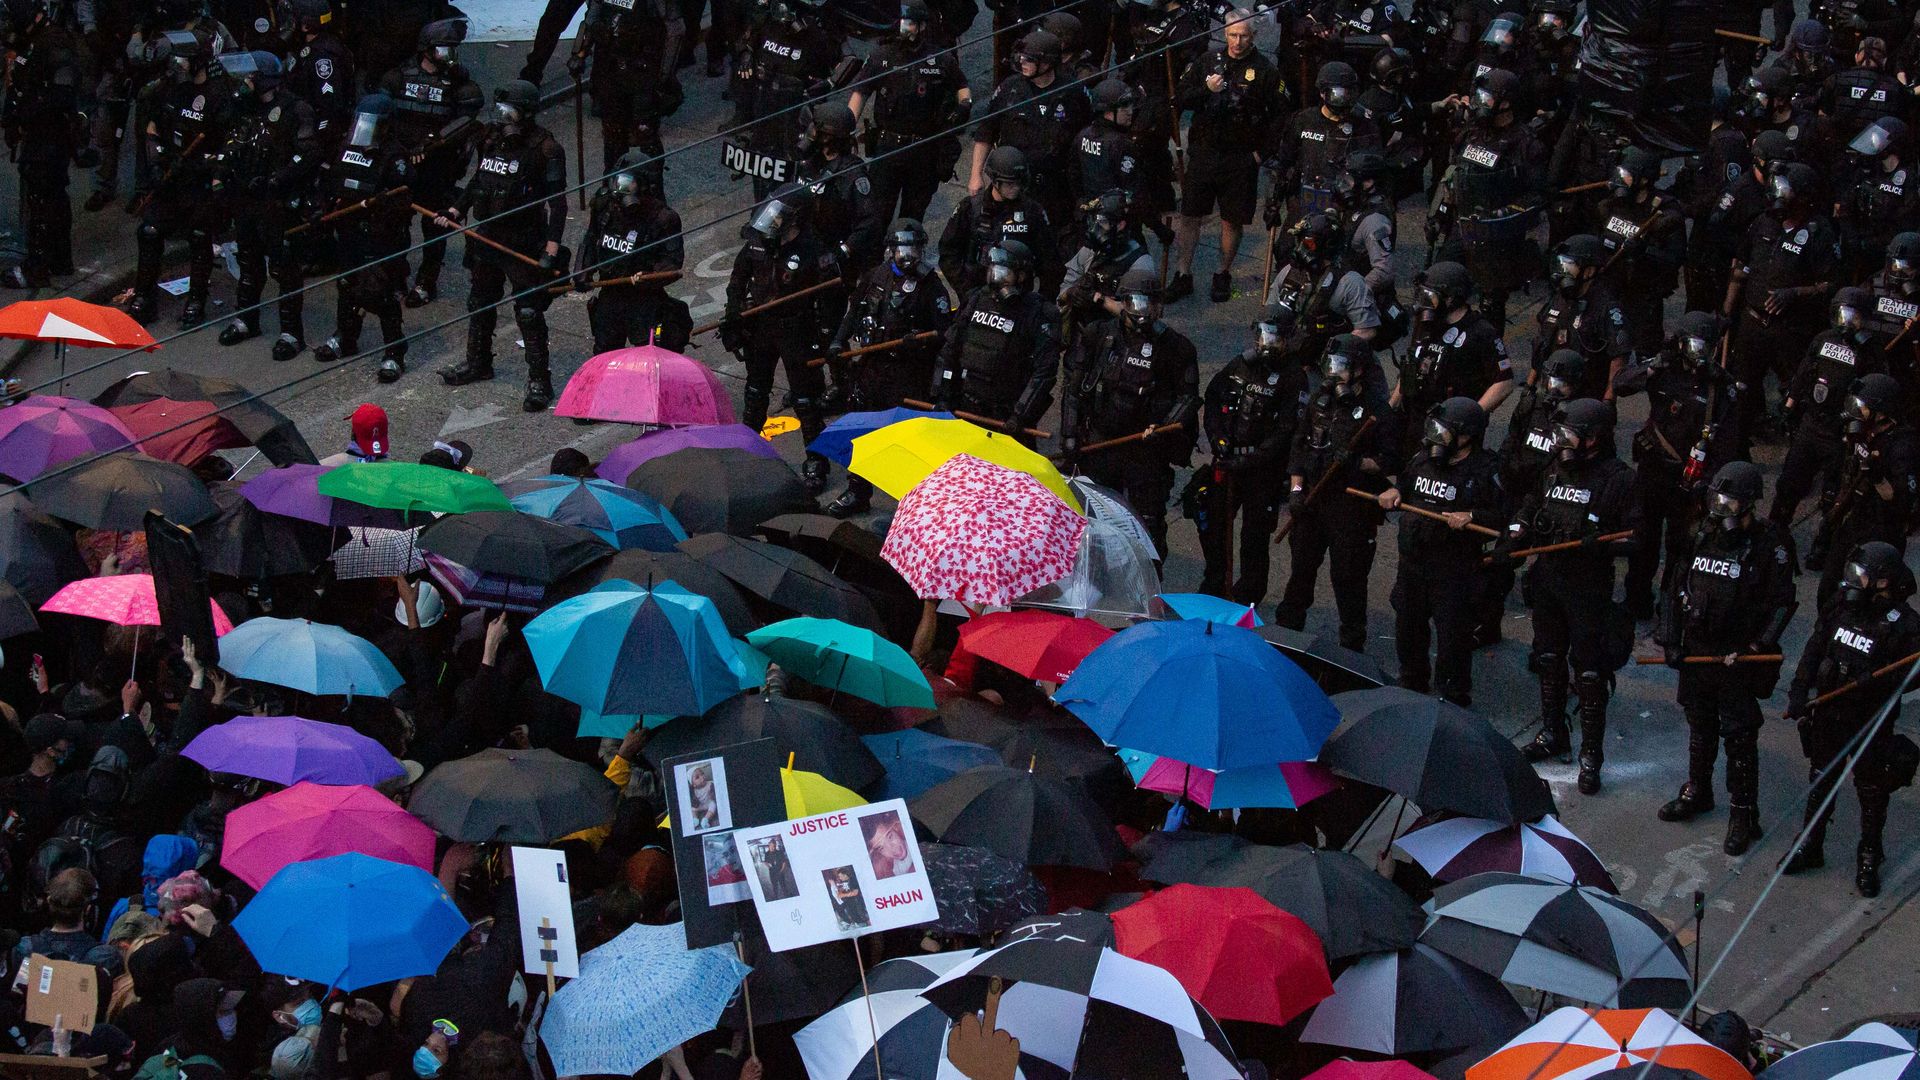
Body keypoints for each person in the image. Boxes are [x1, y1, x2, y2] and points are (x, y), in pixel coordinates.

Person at [1655, 461, 1796, 856]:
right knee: (1700, 724)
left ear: (1749, 504)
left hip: (1737, 657)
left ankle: (1742, 812)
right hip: (1700, 650)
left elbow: (1783, 605)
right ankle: (1698, 790)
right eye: (1719, 498)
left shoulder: (1771, 545)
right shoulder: (1702, 535)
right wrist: (1671, 639)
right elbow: (1674, 586)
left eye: (1731, 501)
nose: (1722, 507)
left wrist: (1756, 648)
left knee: (1738, 734)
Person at [1511, 398, 1640, 794]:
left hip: (1588, 589)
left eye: (1571, 434)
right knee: (1548, 658)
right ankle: (1552, 733)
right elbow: (1532, 507)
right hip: (1548, 579)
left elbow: (1638, 538)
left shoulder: (1619, 479)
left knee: (1588, 671)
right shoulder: (1555, 468)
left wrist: (1600, 545)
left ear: (1594, 438)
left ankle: (1590, 755)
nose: (1562, 440)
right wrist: (1516, 531)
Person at [1784, 540, 1920, 897]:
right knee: (1821, 778)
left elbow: (1912, 674)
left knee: (1872, 790)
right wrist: (1800, 689)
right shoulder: (1841, 606)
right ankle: (1810, 843)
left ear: (1884, 582)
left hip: (1871, 719)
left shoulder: (1904, 625)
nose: (1853, 582)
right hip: (1830, 712)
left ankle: (1869, 855)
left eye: (1862, 577)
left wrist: (1880, 679)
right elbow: (1816, 646)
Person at [436, 80, 570, 412]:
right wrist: (456, 209)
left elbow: (559, 203)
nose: (503, 117)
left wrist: (551, 248)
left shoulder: (546, 150)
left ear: (525, 112)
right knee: (480, 302)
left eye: (508, 111)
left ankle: (540, 380)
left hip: (523, 241)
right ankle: (478, 362)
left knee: (528, 311)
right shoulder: (492, 140)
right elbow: (478, 181)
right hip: (487, 237)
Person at [1611, 311, 1744, 621]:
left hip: (1688, 479)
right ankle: (1637, 599)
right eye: (1695, 346)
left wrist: (1707, 483)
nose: (1700, 354)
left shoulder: (1719, 389)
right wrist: (1656, 362)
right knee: (1642, 539)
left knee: (1680, 547)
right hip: (1652, 469)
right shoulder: (1663, 371)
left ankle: (1669, 606)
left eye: (1706, 348)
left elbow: (1727, 445)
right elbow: (1621, 384)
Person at [1059, 266, 1199, 557]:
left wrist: (1163, 427)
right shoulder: (1098, 334)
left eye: (1149, 303)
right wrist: (1070, 436)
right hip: (1100, 445)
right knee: (1092, 524)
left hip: (1145, 452)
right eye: (1136, 303)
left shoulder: (1177, 348)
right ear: (1123, 303)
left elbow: (1187, 399)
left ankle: (1151, 592)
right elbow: (1073, 389)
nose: (1143, 311)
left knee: (1148, 529)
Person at [1380, 397, 1505, 705]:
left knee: (1452, 635)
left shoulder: (1485, 471)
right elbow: (1406, 487)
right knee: (1408, 625)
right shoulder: (1423, 459)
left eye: (1445, 431)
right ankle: (1412, 679)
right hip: (1412, 563)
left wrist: (1473, 517)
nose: (1437, 436)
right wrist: (1395, 492)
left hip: (1453, 570)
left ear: (1466, 436)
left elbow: (1505, 516)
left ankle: (1452, 692)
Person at [825, 219, 954, 516]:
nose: (907, 256)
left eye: (913, 249)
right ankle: (858, 491)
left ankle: (913, 502)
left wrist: (918, 343)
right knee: (864, 431)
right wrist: (837, 342)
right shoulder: (875, 275)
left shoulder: (931, 287)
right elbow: (854, 311)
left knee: (909, 439)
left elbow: (945, 337)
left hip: (908, 373)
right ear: (891, 250)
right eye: (901, 249)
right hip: (872, 367)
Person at [723, 185, 844, 490]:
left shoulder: (816, 252)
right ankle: (747, 449)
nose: (772, 222)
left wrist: (826, 337)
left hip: (797, 329)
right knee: (754, 392)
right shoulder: (758, 243)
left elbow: (834, 298)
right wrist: (734, 312)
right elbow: (737, 278)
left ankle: (816, 461)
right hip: (761, 325)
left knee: (806, 400)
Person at [1275, 334, 1393, 647]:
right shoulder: (1319, 401)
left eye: (1341, 366)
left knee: (1348, 579)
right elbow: (1299, 448)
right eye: (1330, 364)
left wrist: (1359, 462)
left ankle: (1352, 646)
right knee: (1301, 573)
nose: (1333, 372)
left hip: (1351, 507)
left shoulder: (1377, 411)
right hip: (1312, 500)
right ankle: (1286, 634)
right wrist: (1296, 490)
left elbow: (1391, 461)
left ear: (1359, 371)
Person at [1194, 305, 1310, 605]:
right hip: (1227, 461)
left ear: (1287, 339)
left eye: (1273, 337)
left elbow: (1286, 431)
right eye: (1261, 335)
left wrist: (1250, 459)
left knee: (1254, 538)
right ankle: (1216, 580)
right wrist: (1217, 439)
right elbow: (1213, 396)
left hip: (1263, 472)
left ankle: (1248, 593)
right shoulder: (1240, 364)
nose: (1265, 343)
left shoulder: (1294, 378)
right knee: (1213, 522)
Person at [1169, 12, 1285, 303]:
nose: (1237, 41)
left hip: (1241, 158)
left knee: (1231, 221)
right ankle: (1183, 274)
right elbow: (1181, 98)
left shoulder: (1265, 70)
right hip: (1205, 152)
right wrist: (1205, 90)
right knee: (1190, 215)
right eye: (1232, 35)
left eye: (1244, 35)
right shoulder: (1207, 62)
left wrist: (1261, 154)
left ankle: (1223, 273)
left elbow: (1282, 118)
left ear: (1253, 37)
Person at [212, 52, 319, 362]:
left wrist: (276, 179)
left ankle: (291, 332)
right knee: (248, 260)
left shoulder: (294, 110)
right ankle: (246, 319)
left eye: (249, 77)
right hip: (246, 198)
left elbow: (308, 154)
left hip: (277, 201)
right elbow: (231, 142)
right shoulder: (244, 109)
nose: (243, 82)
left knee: (284, 266)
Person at [1723, 161, 1841, 436]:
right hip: (1752, 323)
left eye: (1786, 191)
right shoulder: (1762, 222)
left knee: (1796, 392)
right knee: (1740, 391)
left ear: (1804, 197)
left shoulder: (1819, 232)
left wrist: (1795, 294)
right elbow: (1740, 267)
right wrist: (1727, 313)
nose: (1779, 195)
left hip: (1791, 328)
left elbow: (1832, 285)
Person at [1769, 289, 1888, 551]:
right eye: (1843, 314)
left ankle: (1824, 544)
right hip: (1811, 423)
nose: (1846, 321)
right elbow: (1803, 374)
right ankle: (1773, 534)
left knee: (1834, 495)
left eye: (1853, 316)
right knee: (1789, 483)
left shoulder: (1870, 351)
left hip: (1842, 431)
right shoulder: (1823, 339)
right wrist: (1789, 406)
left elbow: (1874, 391)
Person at [127, 29, 233, 326]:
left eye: (184, 60)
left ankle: (196, 299)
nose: (178, 64)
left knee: (199, 236)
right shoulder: (169, 88)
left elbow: (227, 145)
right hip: (170, 175)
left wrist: (206, 169)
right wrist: (157, 162)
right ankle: (144, 296)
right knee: (149, 231)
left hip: (198, 180)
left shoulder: (218, 96)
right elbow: (151, 128)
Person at [377, 19, 484, 310]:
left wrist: (431, 144)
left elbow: (467, 120)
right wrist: (400, 152)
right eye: (442, 49)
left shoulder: (458, 83)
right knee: (395, 225)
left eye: (452, 50)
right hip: (402, 164)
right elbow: (382, 118)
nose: (448, 55)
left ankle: (426, 281)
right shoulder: (399, 77)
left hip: (438, 167)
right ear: (426, 49)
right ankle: (397, 276)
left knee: (435, 226)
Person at [1430, 67, 1546, 328]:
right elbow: (1453, 175)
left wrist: (1505, 216)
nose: (1482, 103)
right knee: (1438, 282)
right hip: (1462, 227)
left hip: (1497, 238)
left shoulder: (1526, 144)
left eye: (1488, 98)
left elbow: (1537, 195)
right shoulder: (1472, 132)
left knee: (1490, 307)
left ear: (1506, 103)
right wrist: (1439, 213)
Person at [311, 93, 413, 379]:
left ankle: (394, 351)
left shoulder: (395, 156)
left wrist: (384, 205)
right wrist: (323, 209)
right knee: (347, 284)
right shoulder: (347, 146)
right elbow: (332, 183)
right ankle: (346, 336)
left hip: (381, 236)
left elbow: (405, 200)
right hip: (349, 230)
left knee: (379, 292)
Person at [848, 0, 971, 224]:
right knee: (877, 214)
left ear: (923, 26)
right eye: (903, 23)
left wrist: (965, 104)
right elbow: (860, 93)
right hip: (888, 147)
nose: (905, 29)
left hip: (924, 149)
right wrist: (845, 127)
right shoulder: (882, 56)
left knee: (913, 216)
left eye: (911, 24)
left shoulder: (940, 58)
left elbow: (961, 85)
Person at [931, 239, 1060, 447]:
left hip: (1006, 416)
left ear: (1022, 276)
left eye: (1003, 273)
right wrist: (942, 395)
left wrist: (1020, 416)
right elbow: (949, 351)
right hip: (967, 407)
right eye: (992, 270)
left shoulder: (1040, 313)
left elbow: (1044, 373)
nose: (995, 278)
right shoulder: (976, 299)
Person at [968, 29, 1089, 251]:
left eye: (1029, 59)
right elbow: (986, 133)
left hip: (1057, 189)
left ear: (1047, 62)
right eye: (1021, 57)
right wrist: (976, 175)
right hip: (1015, 186)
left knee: (1054, 246)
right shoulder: (1009, 89)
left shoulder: (1074, 92)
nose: (1022, 62)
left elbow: (1088, 137)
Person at [1813, 373, 1920, 606]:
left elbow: (1900, 502)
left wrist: (1878, 477)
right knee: (1828, 589)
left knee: (1863, 596)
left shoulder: (1903, 447)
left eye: (1862, 407)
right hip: (1854, 518)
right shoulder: (1862, 432)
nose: (1857, 411)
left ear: (1882, 412)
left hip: (1881, 530)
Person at [1391, 261, 1515, 462]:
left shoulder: (1481, 332)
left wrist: (1468, 418)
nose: (1423, 302)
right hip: (1417, 419)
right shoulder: (1425, 324)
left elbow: (1504, 382)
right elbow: (1412, 363)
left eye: (1429, 297)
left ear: (1451, 299)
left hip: (1453, 431)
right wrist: (1392, 405)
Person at [1, 0, 85, 291]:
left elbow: (62, 94)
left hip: (51, 134)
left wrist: (27, 114)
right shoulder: (31, 41)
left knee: (45, 197)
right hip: (36, 133)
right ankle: (59, 260)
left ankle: (39, 266)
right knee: (47, 194)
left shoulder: (56, 43)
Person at [574, 150, 691, 354]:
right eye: (618, 181)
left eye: (628, 183)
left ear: (644, 184)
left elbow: (673, 262)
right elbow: (591, 238)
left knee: (649, 354)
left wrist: (649, 277)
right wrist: (583, 269)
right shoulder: (605, 207)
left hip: (643, 300)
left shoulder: (663, 219)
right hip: (610, 293)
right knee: (604, 352)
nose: (621, 189)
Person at [566, 0, 681, 174]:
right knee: (613, 132)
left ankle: (654, 189)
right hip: (610, 67)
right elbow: (591, 19)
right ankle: (612, 182)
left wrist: (664, 75)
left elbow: (674, 31)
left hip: (643, 69)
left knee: (645, 131)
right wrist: (579, 53)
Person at [937, 145, 1062, 297]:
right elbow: (948, 252)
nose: (1015, 188)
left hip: (1019, 296)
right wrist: (966, 291)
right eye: (1009, 184)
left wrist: (1043, 299)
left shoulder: (1032, 212)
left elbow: (1050, 261)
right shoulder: (970, 208)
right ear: (995, 181)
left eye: (1018, 183)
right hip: (978, 292)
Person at [1263, 213, 1381, 362]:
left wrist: (1333, 351)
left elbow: (1368, 330)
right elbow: (1268, 312)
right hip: (1285, 357)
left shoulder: (1350, 283)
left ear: (1327, 245)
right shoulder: (1288, 272)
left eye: (1308, 243)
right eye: (1299, 241)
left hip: (1323, 365)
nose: (1300, 248)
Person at [1533, 234, 1632, 403]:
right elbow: (1542, 346)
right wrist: (1529, 389)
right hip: (1552, 390)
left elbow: (1618, 358)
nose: (1563, 272)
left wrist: (1608, 400)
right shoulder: (1558, 300)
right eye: (1561, 265)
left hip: (1587, 397)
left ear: (1589, 271)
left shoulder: (1606, 307)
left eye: (1569, 266)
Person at [280, 0, 354, 152]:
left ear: (306, 25)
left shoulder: (323, 56)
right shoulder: (308, 47)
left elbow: (330, 103)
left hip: (315, 130)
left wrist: (318, 136)